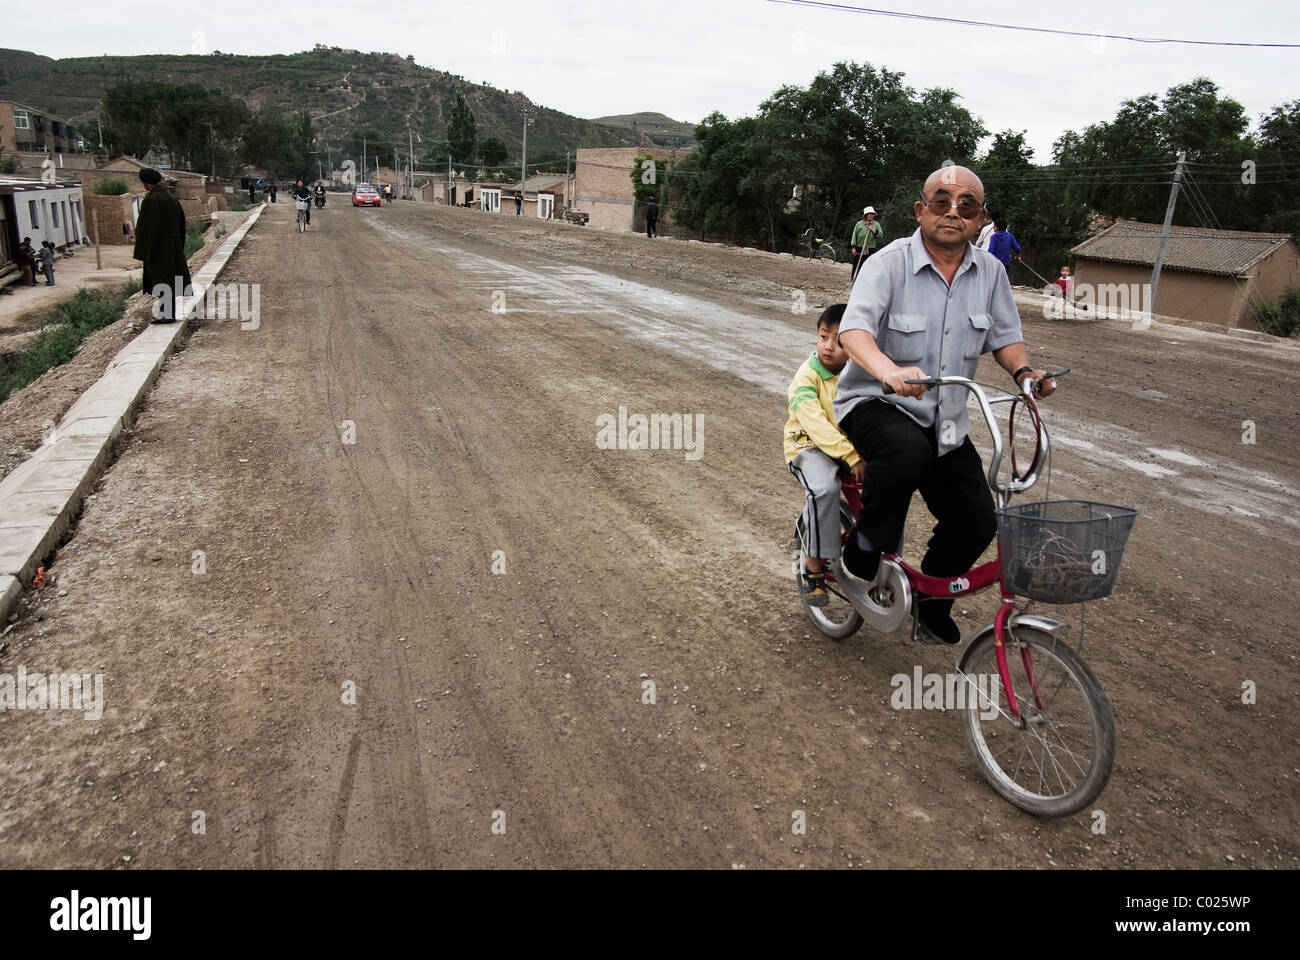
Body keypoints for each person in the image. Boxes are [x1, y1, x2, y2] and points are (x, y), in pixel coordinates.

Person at [833, 165, 1057, 645]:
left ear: (980, 219)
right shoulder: (887, 263)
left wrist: (1025, 375)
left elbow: (1006, 338)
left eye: (966, 205)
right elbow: (854, 331)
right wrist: (888, 370)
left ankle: (931, 602)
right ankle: (864, 548)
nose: (953, 211)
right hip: (874, 402)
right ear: (921, 210)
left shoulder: (992, 273)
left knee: (978, 517)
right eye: (941, 201)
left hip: (946, 419)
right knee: (906, 452)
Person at [785, 303, 865, 606]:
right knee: (825, 488)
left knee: (889, 485)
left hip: (845, 450)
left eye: (839, 340)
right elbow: (816, 426)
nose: (829, 347)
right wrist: (851, 455)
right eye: (823, 336)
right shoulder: (806, 378)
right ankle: (813, 567)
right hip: (807, 446)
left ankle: (885, 564)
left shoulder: (857, 372)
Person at [133, 167, 191, 324]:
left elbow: (147, 228)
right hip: (173, 246)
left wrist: (145, 251)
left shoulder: (152, 200)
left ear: (146, 184)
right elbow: (181, 225)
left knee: (162, 281)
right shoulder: (170, 198)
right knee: (169, 282)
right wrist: (179, 245)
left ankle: (166, 315)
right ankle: (167, 313)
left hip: (159, 249)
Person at [849, 206, 884, 281]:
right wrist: (853, 247)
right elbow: (854, 236)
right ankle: (854, 280)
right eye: (870, 214)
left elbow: (881, 236)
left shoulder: (876, 224)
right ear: (866, 215)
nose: (872, 215)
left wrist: (874, 230)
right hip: (859, 248)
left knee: (868, 266)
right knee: (857, 265)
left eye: (873, 214)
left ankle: (865, 282)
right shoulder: (859, 224)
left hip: (870, 249)